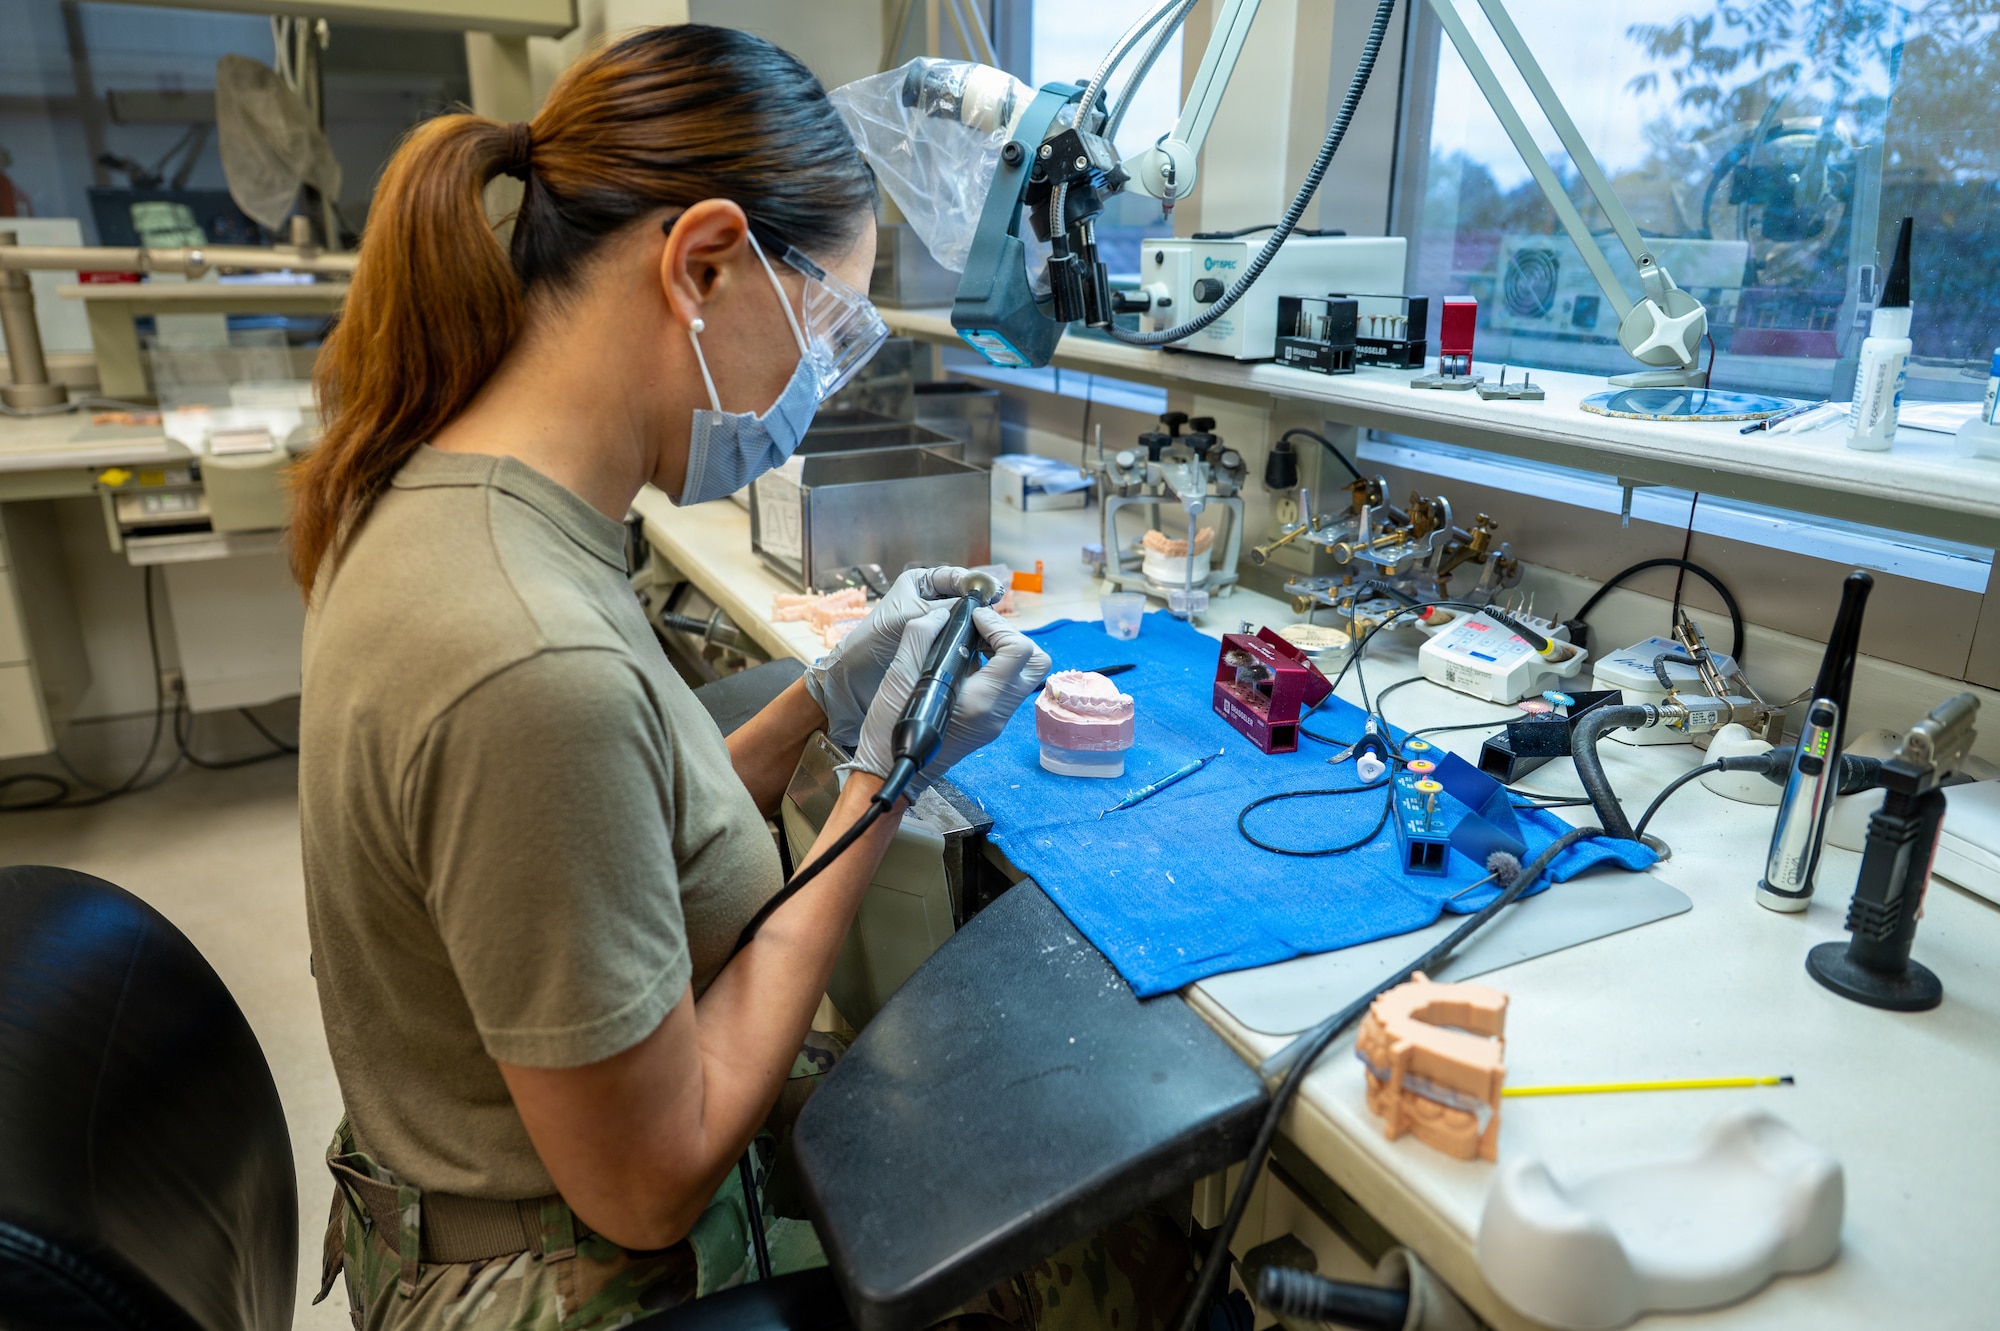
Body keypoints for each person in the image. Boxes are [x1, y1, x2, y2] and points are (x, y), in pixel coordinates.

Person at [291, 23, 1076, 1330]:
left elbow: (614, 826)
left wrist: (818, 704)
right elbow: (651, 1186)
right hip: (553, 1275)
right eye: (827, 332)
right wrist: (881, 785)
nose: (819, 391)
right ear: (702, 264)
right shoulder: (524, 652)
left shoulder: (477, 503)